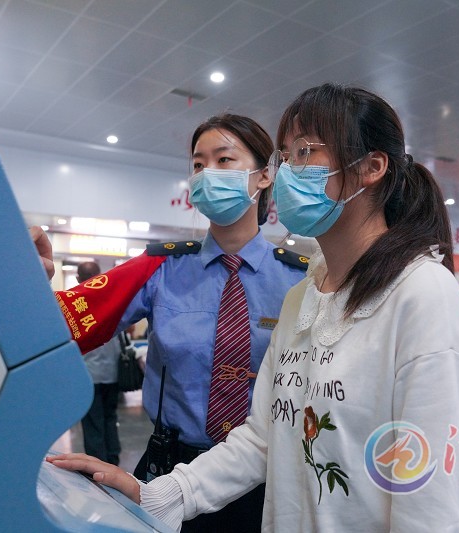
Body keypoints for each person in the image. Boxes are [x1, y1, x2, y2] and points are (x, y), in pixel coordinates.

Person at [48, 83, 459, 531]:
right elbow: (264, 435)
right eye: (285, 157)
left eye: (304, 152)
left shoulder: (423, 299)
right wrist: (158, 494)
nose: (287, 173)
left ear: (371, 167)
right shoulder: (303, 298)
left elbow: (435, 505)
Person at [44, 114, 308, 533]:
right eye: (198, 164)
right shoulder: (160, 268)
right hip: (170, 469)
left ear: (264, 176)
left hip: (267, 476)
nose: (207, 174)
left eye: (224, 160)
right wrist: (31, 281)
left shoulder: (302, 280)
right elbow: (62, 322)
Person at [76, 261, 122, 465]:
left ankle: (96, 467)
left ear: (78, 278)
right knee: (110, 418)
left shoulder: (75, 304)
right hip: (112, 374)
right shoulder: (110, 298)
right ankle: (112, 461)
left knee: (93, 423)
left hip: (88, 377)